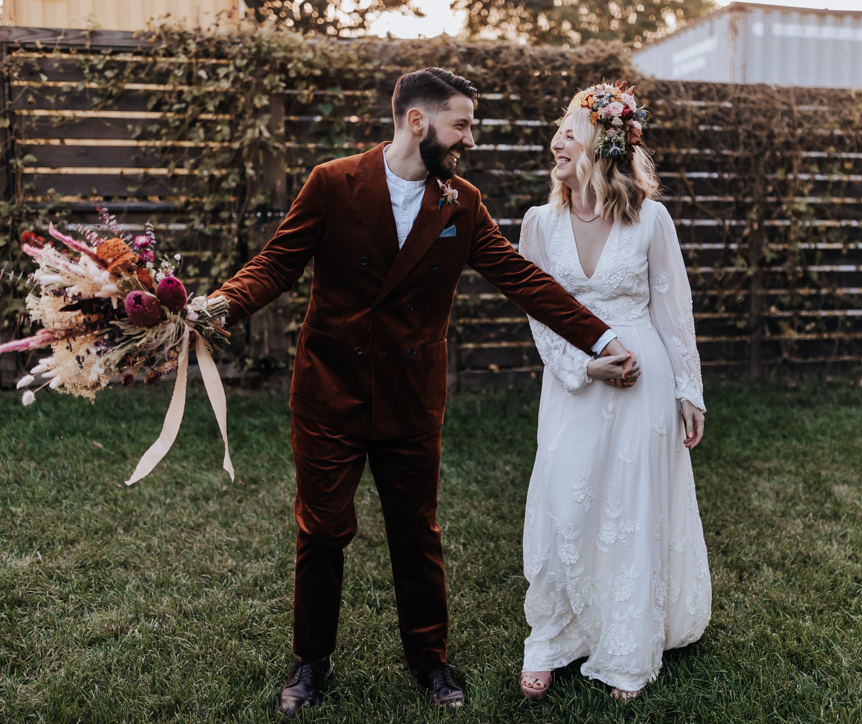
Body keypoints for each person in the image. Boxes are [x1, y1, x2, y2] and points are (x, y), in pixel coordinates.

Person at [208, 68, 638, 715]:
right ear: (417, 122)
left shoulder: (461, 204)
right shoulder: (332, 183)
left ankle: (431, 661)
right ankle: (311, 659)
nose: (468, 138)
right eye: (460, 124)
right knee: (322, 531)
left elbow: (525, 280)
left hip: (411, 400)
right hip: (330, 392)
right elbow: (276, 263)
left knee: (417, 533)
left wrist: (599, 338)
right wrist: (218, 306)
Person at [517, 82, 712, 702]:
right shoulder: (538, 224)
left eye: (568, 132)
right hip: (573, 381)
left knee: (629, 510)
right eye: (558, 131)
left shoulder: (650, 219)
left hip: (643, 384)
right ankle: (552, 636)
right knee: (563, 502)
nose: (556, 142)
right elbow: (537, 314)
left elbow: (673, 311)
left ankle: (626, 645)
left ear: (602, 143)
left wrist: (689, 392)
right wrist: (582, 368)